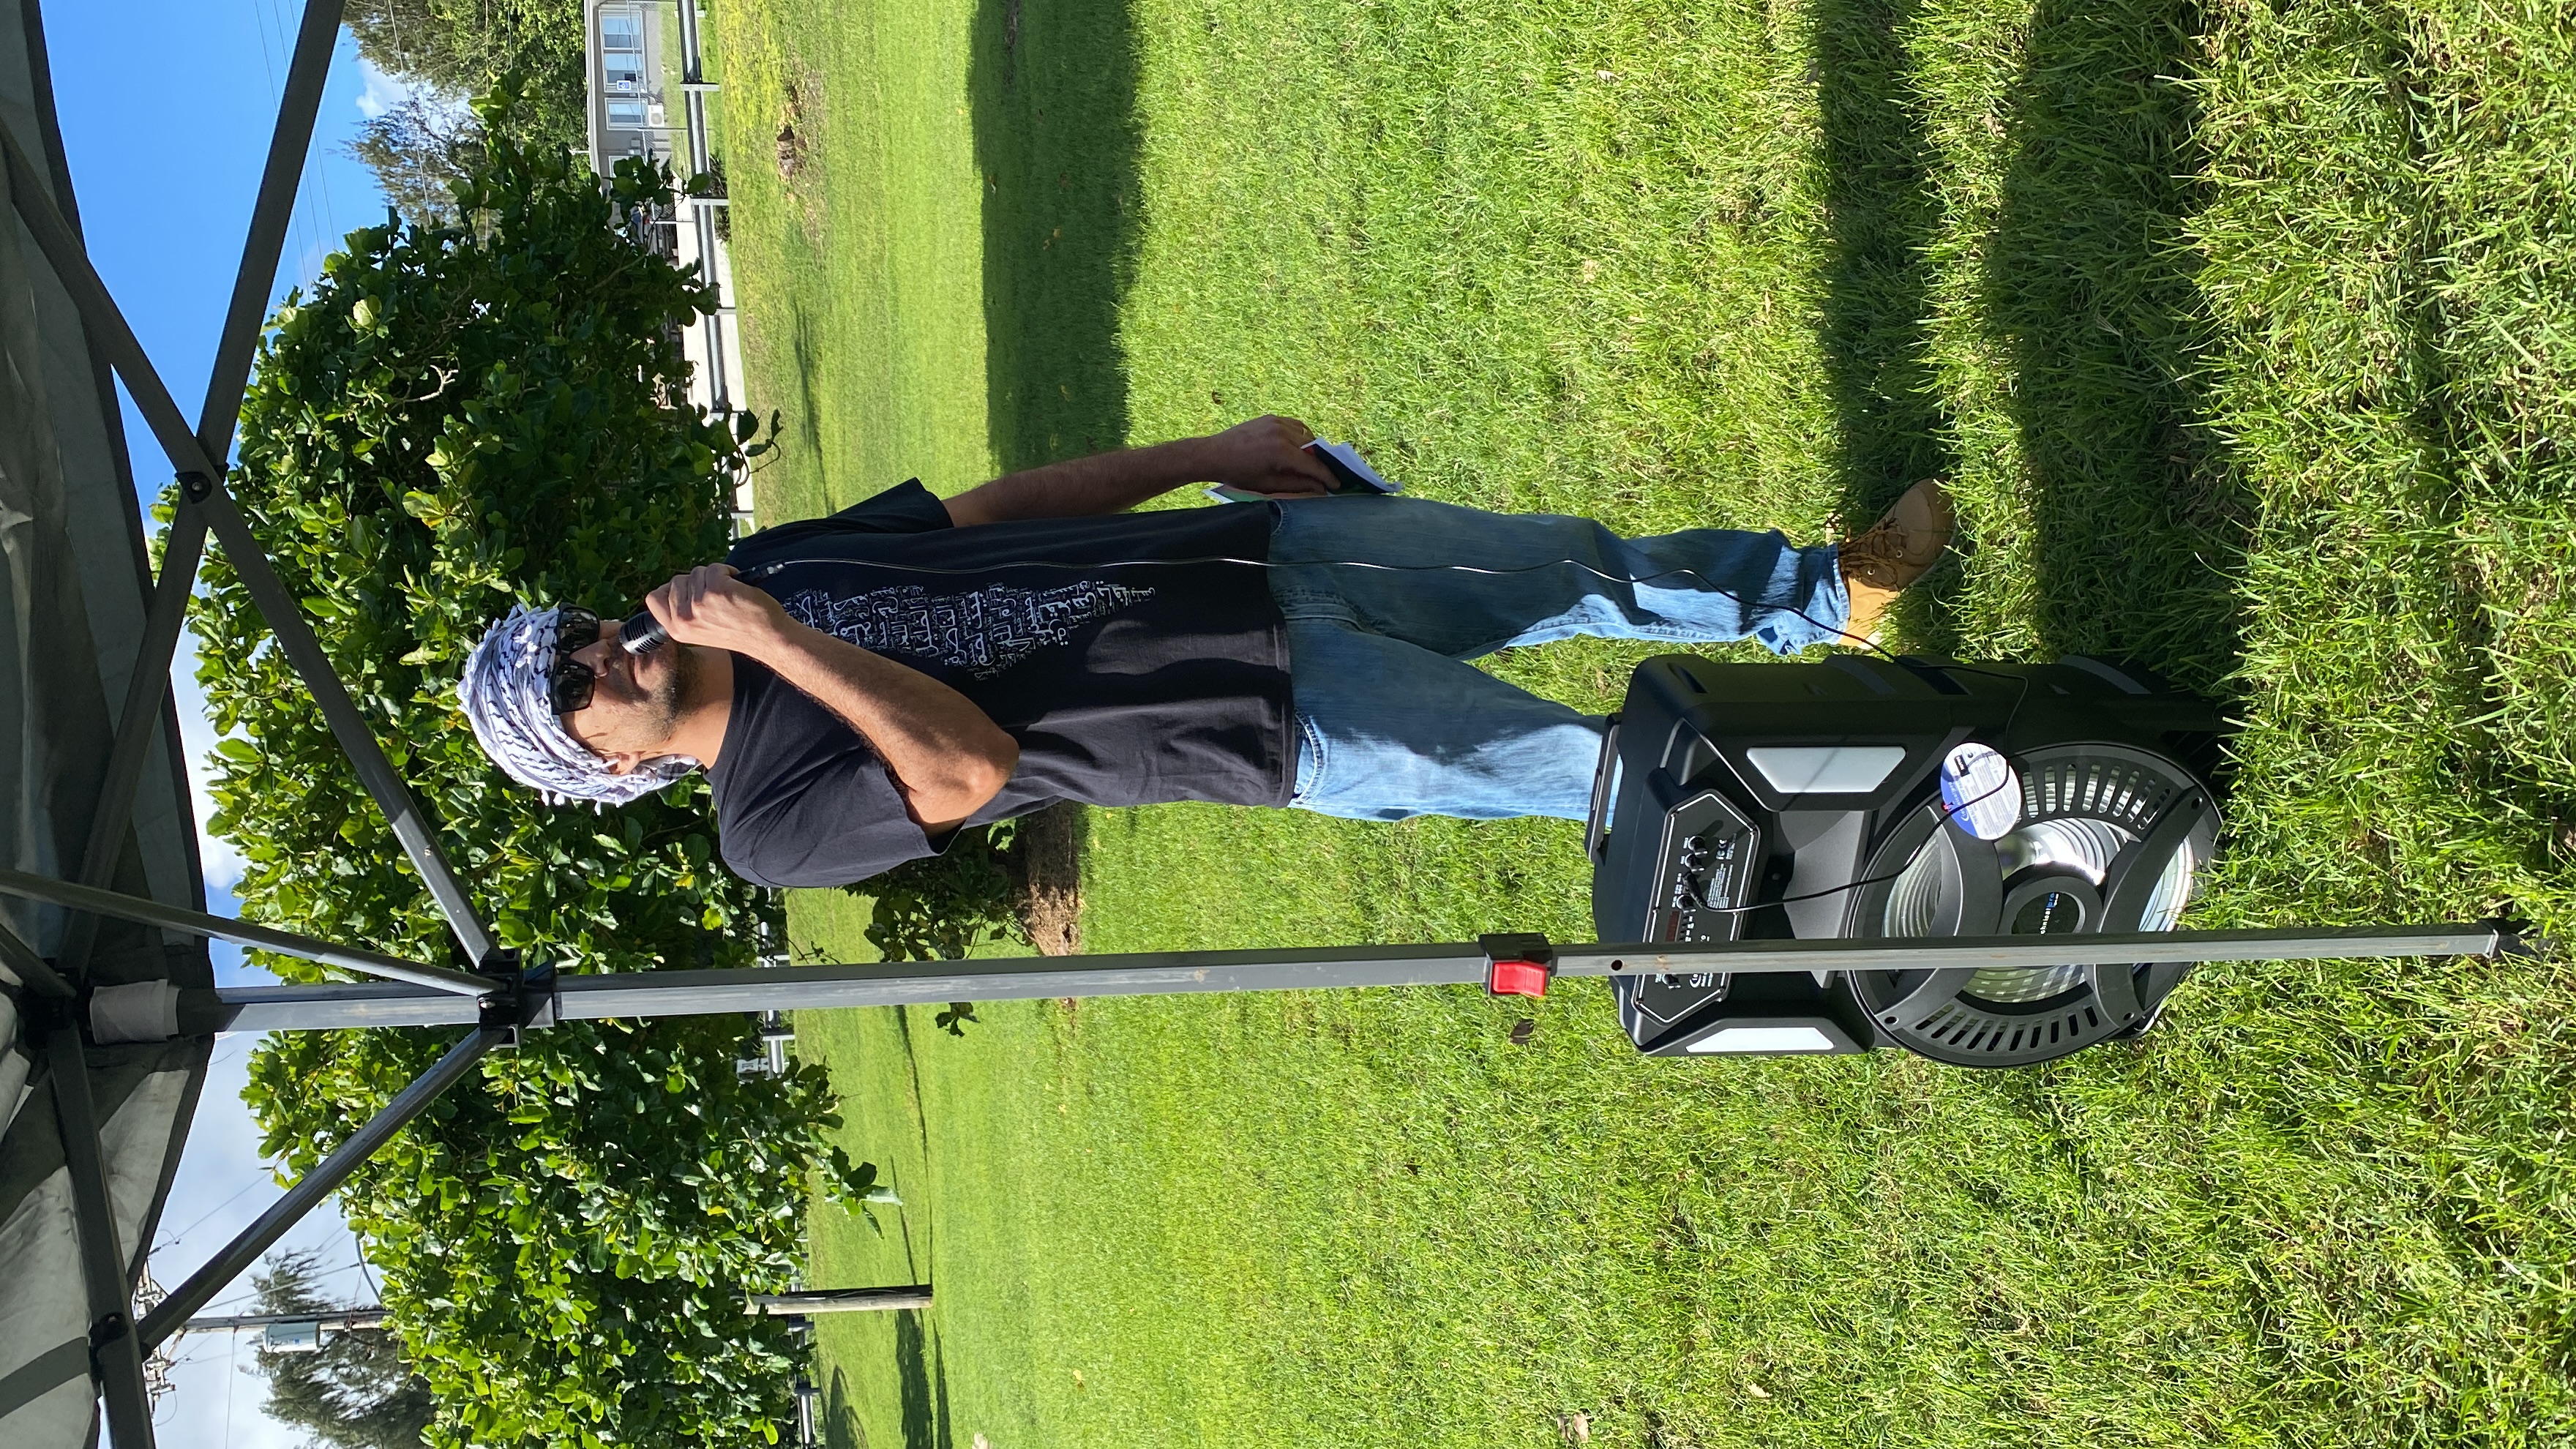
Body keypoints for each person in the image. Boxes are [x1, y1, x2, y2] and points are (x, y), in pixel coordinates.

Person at [459, 416, 1952, 888]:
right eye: (572, 692)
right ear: (602, 765)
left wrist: (1198, 454)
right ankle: (1904, 809)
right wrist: (778, 643)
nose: (601, 655)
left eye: (575, 637)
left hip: (1252, 556)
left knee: (1569, 567)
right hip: (1271, 716)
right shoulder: (763, 827)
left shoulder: (769, 561)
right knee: (1606, 770)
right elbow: (965, 770)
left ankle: (1825, 596)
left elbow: (981, 516)